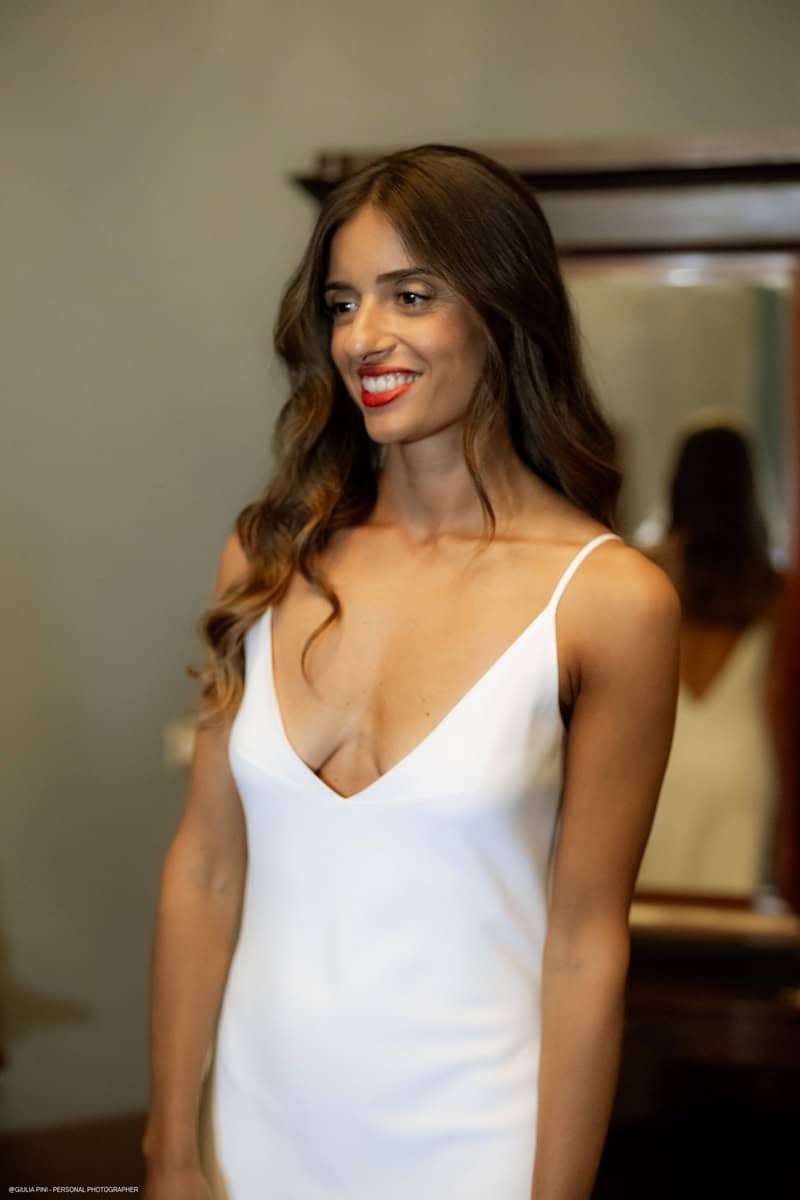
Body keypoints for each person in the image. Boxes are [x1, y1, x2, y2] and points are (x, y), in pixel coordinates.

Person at [142, 144, 679, 1200]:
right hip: (248, 1142)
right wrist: (169, 1153)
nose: (362, 337)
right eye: (343, 304)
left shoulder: (609, 602)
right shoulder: (268, 558)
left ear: (502, 309)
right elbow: (205, 870)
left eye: (411, 295)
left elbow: (584, 949)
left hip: (476, 1150)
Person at [637, 420, 783, 896]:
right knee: (732, 920)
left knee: (648, 919)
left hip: (658, 762)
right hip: (742, 764)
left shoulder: (641, 574)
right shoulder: (774, 589)